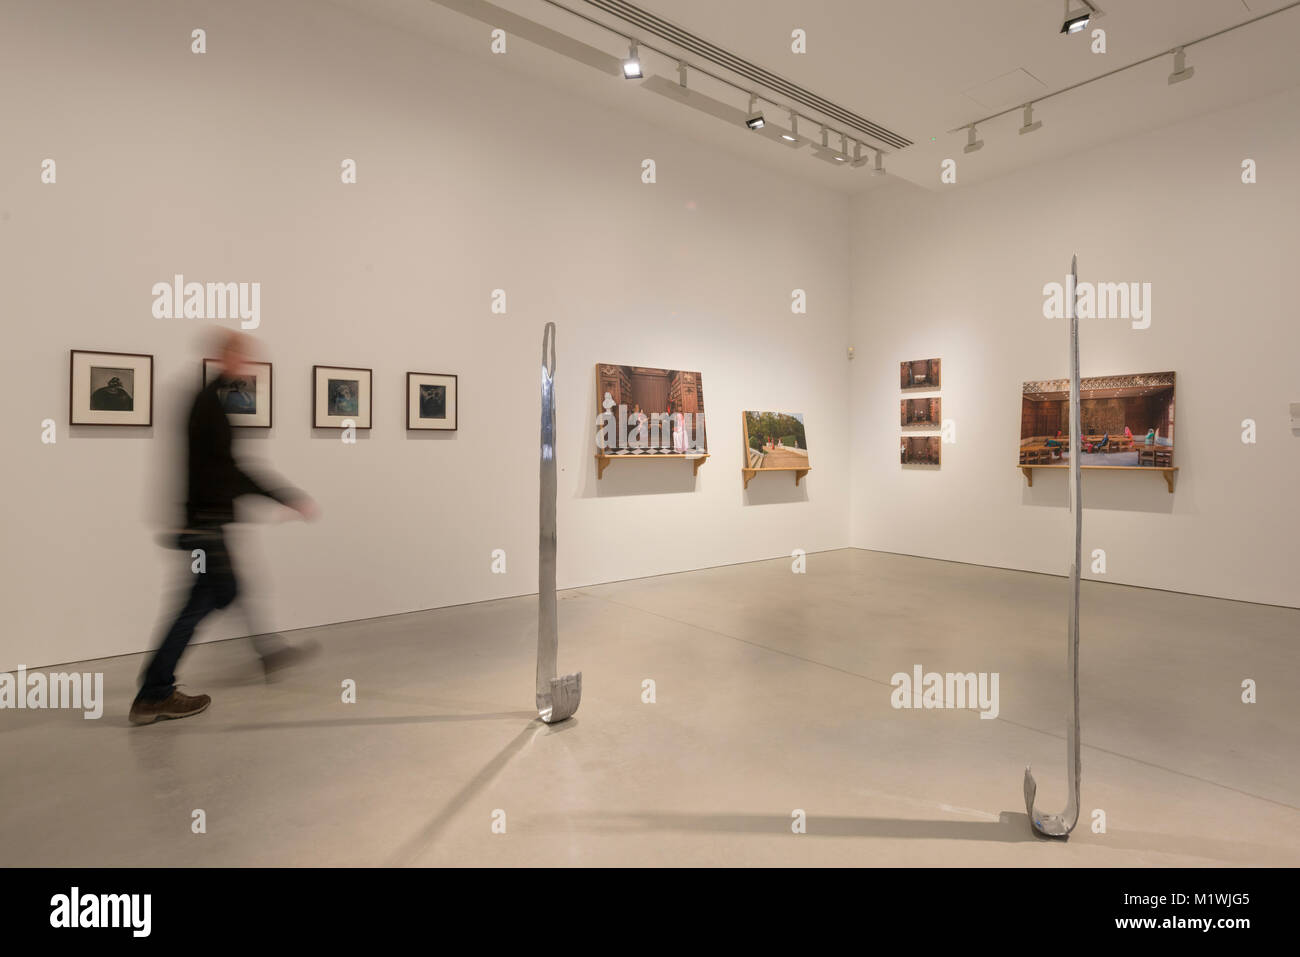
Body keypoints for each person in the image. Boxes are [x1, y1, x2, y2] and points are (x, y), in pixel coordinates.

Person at [131, 331, 319, 725]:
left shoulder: (210, 401)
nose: (248, 366)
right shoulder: (208, 405)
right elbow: (228, 470)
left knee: (222, 591)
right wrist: (284, 495)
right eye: (243, 357)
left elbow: (223, 469)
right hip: (205, 526)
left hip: (205, 522)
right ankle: (155, 691)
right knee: (200, 602)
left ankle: (266, 653)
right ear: (226, 357)